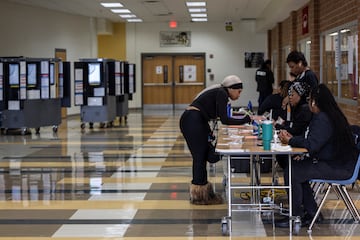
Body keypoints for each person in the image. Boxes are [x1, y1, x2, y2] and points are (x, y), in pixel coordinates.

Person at [276, 84, 358, 228]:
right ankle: (312, 212)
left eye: (309, 100)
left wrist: (290, 140)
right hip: (337, 163)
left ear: (314, 102)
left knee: (293, 172)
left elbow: (312, 145)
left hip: (339, 168)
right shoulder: (330, 115)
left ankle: (296, 217)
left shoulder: (322, 119)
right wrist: (293, 139)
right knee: (297, 169)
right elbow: (314, 142)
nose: (308, 104)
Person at [179, 75, 251, 205]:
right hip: (193, 121)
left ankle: (204, 192)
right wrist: (247, 119)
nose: (239, 95)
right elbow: (225, 120)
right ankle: (199, 196)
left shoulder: (220, 92)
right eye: (239, 91)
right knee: (199, 157)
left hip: (196, 120)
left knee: (210, 155)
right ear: (231, 89)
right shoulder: (222, 93)